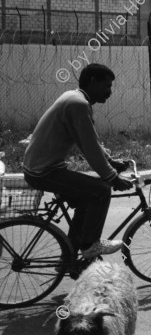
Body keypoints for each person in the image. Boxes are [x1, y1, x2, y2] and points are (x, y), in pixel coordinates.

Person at [23, 63, 133, 260]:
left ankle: (69, 257)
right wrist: (113, 178)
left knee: (87, 199)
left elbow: (88, 141)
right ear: (93, 82)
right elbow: (90, 149)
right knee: (101, 190)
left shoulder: (75, 98)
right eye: (107, 86)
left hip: (43, 166)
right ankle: (90, 245)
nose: (109, 92)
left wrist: (111, 162)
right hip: (43, 171)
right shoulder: (79, 105)